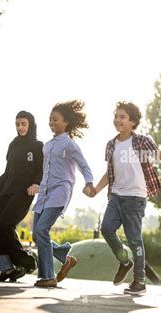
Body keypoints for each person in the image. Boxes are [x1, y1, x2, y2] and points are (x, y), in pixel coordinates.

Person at [87, 101, 161, 295]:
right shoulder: (111, 144)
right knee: (107, 228)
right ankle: (125, 261)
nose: (117, 120)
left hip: (135, 198)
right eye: (116, 116)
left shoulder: (141, 141)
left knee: (134, 240)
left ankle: (139, 281)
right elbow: (109, 172)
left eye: (122, 117)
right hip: (116, 195)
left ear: (133, 121)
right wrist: (96, 190)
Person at [32, 100, 95, 288]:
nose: (51, 122)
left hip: (60, 191)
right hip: (44, 192)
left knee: (42, 229)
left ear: (66, 122)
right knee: (37, 235)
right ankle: (64, 257)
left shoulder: (69, 145)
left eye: (55, 119)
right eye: (50, 119)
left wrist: (89, 183)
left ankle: (48, 277)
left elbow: (84, 165)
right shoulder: (47, 145)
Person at [0, 111, 42, 282]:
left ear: (30, 124)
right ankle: (6, 269)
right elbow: (8, 173)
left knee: (5, 224)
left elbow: (42, 169)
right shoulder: (13, 145)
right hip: (6, 191)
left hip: (24, 192)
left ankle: (27, 262)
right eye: (17, 124)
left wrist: (36, 184)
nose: (20, 127)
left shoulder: (38, 146)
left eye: (23, 124)